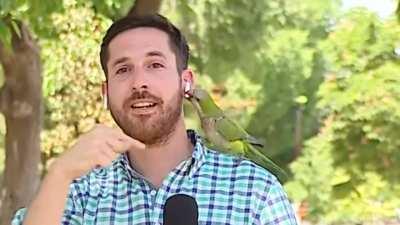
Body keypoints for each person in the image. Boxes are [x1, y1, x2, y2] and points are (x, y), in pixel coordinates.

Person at [12, 14, 297, 225]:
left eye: (155, 65)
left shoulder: (255, 191)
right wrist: (60, 172)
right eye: (123, 70)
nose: (139, 83)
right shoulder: (77, 195)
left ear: (185, 83)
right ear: (105, 91)